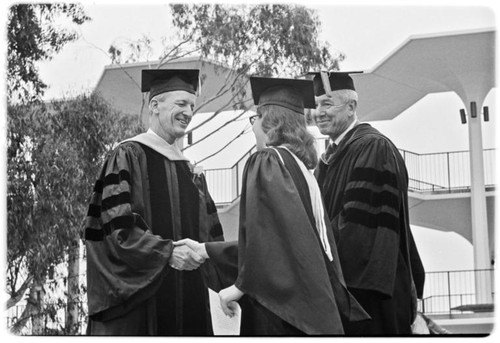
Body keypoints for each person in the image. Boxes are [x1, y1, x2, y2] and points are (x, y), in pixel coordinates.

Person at [212, 76, 369, 335]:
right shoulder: (303, 169)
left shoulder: (267, 160)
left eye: (255, 118)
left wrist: (238, 287)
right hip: (311, 308)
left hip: (282, 313)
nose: (253, 127)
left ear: (268, 120)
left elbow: (266, 239)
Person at [82, 69, 228, 335]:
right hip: (141, 311)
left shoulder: (190, 171)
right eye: (181, 104)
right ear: (155, 106)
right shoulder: (128, 156)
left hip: (189, 308)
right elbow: (115, 232)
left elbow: (211, 237)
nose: (189, 112)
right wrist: (167, 252)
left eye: (192, 106)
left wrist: (234, 284)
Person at [309, 71, 426, 335]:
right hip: (347, 294)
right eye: (316, 105)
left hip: (369, 299)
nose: (318, 112)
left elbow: (360, 233)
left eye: (327, 103)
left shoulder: (373, 148)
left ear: (351, 107)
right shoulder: (330, 157)